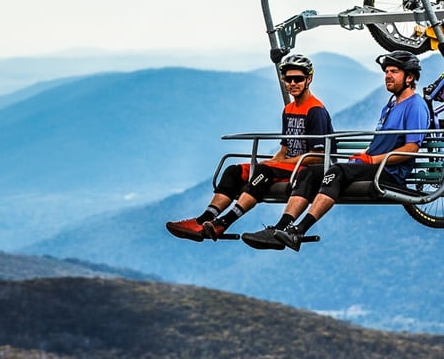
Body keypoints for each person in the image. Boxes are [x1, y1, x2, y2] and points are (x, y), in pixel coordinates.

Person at [242, 50, 428, 251]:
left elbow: (412, 148)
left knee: (336, 171)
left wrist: (373, 160)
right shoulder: (391, 105)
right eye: (386, 72)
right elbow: (381, 142)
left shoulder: (415, 105)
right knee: (312, 172)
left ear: (409, 77)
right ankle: (280, 229)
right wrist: (365, 153)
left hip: (389, 172)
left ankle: (298, 231)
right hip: (373, 165)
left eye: (394, 72)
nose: (388, 76)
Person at [166, 53, 334, 242]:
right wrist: (274, 160)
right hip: (289, 166)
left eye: (298, 79)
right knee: (234, 171)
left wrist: (277, 164)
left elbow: (318, 156)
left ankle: (224, 222)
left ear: (309, 79)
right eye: (288, 79)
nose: (293, 83)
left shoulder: (315, 111)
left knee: (262, 171)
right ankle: (203, 220)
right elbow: (285, 148)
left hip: (306, 169)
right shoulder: (289, 110)